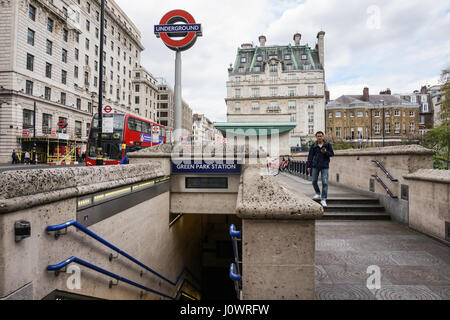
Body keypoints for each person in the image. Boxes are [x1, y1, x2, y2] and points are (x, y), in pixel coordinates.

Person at [306, 132, 335, 207]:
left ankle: (323, 199)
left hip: (325, 166)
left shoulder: (327, 145)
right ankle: (318, 193)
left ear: (323, 137)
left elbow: (332, 154)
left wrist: (326, 152)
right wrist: (308, 166)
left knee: (325, 183)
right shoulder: (313, 145)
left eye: (321, 136)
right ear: (316, 137)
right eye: (318, 136)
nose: (319, 137)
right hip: (315, 166)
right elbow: (310, 156)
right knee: (314, 181)